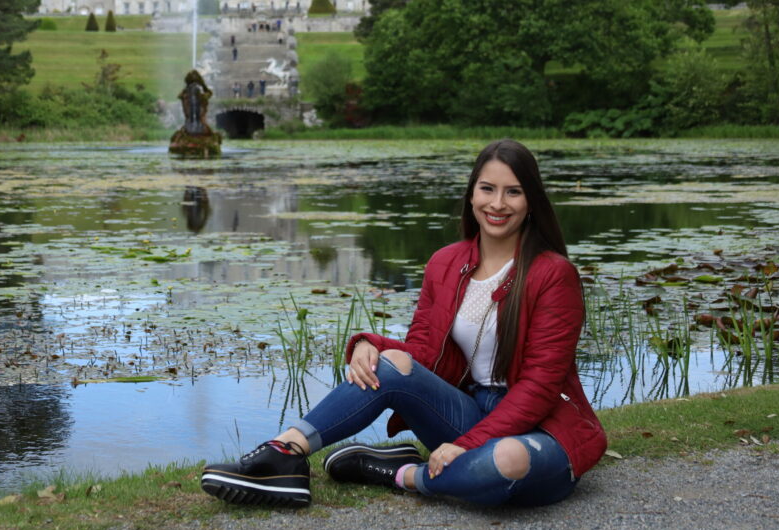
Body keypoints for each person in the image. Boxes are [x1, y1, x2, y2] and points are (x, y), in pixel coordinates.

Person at [201, 139, 606, 508]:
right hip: (470, 409)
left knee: (505, 461)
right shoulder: (445, 263)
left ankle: (400, 474)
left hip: (540, 426)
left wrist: (467, 444)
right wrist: (369, 344)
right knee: (391, 363)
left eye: (513, 192)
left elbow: (539, 387)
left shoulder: (553, 274)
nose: (497, 203)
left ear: (531, 201)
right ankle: (285, 454)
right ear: (470, 195)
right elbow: (426, 352)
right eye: (487, 189)